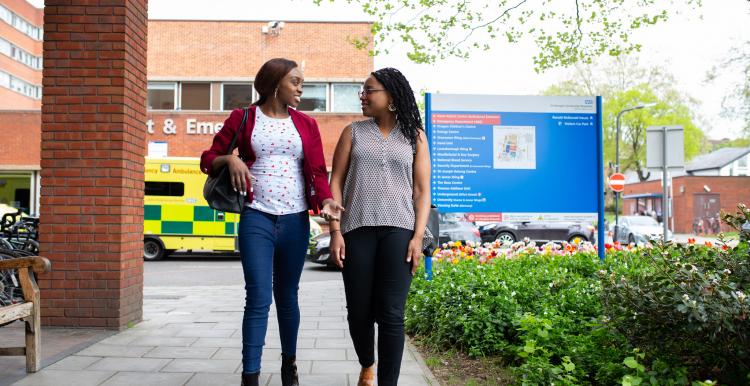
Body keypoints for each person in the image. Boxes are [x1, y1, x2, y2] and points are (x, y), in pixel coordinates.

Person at [200, 58, 343, 386]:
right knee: (259, 295)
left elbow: (318, 172)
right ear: (275, 83)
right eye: (295, 82)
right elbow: (207, 159)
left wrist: (325, 200)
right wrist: (230, 159)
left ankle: (288, 365)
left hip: (294, 220)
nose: (300, 88)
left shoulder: (306, 124)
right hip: (256, 217)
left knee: (288, 295)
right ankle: (250, 375)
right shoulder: (243, 117)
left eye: (301, 82)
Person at [326, 67, 431, 386]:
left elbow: (422, 191)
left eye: (369, 90)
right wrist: (335, 231)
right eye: (362, 90)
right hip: (356, 229)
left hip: (399, 231)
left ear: (391, 97)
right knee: (358, 311)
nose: (363, 95)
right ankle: (366, 363)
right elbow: (336, 182)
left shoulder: (415, 136)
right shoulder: (353, 132)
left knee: (391, 315)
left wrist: (417, 237)